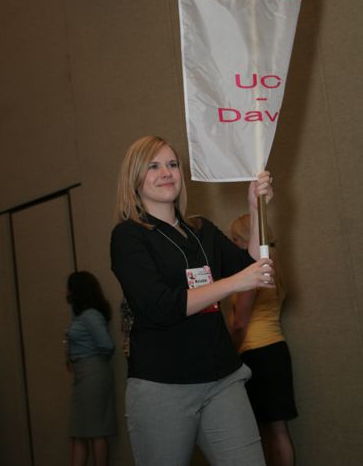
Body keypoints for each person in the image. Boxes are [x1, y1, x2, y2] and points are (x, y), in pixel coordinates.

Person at [110, 135, 274, 466]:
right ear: (135, 179)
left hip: (222, 379)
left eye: (172, 164)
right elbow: (159, 307)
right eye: (153, 166)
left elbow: (251, 268)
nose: (166, 173)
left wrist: (256, 210)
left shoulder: (202, 230)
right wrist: (232, 284)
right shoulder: (128, 235)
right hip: (162, 386)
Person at [228, 215, 297, 466]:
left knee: (266, 431)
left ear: (246, 240)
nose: (232, 244)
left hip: (256, 354)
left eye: (235, 239)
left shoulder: (253, 273)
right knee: (278, 429)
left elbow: (240, 323)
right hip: (277, 350)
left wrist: (229, 352)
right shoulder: (276, 267)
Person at [65, 271, 117, 466]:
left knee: (96, 431)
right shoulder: (81, 315)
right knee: (79, 431)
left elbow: (107, 344)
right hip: (84, 376)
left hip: (92, 375)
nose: (66, 292)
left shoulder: (91, 315)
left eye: (69, 288)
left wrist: (89, 359)